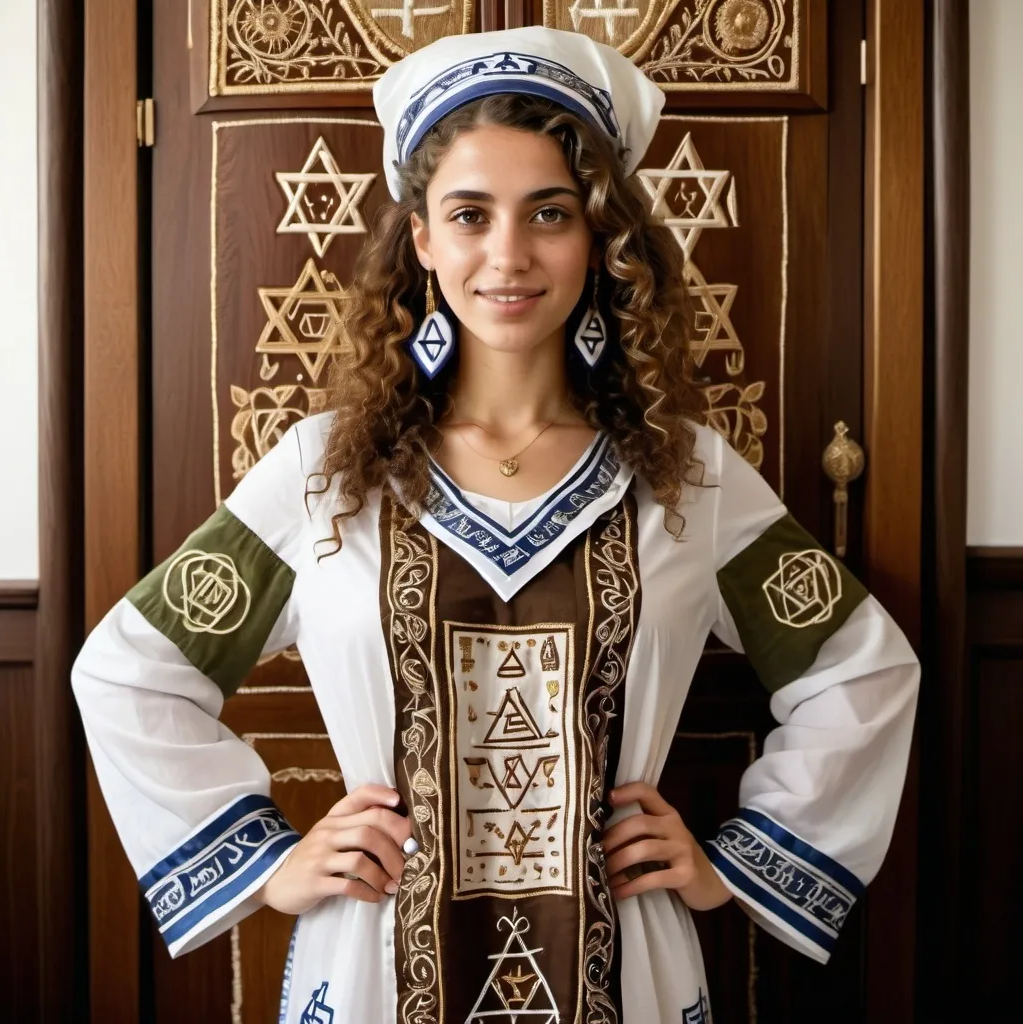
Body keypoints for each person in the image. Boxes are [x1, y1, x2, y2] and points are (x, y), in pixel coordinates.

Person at [71, 26, 920, 1024]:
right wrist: (270, 864)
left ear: (599, 237)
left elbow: (859, 671)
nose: (507, 254)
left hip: (628, 975)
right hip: (377, 970)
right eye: (470, 213)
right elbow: (130, 671)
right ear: (423, 238)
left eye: (549, 213)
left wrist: (727, 863)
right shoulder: (321, 471)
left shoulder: (686, 474)